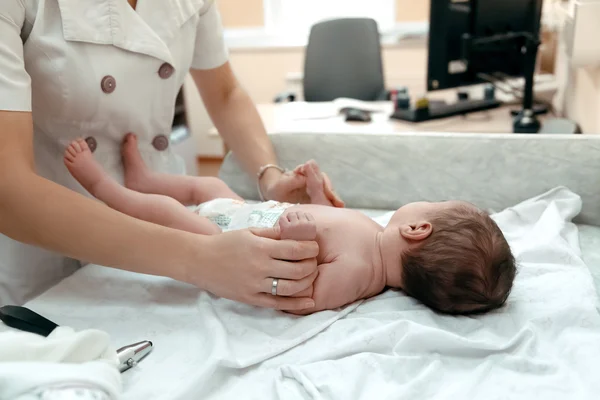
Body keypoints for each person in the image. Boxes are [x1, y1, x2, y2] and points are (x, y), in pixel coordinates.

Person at [0, 0, 343, 308]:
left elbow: (225, 94)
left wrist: (271, 179)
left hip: (166, 200)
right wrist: (200, 258)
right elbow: (9, 188)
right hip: (55, 228)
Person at [65, 136, 517, 315]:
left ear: (418, 229)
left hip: (228, 241)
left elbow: (302, 295)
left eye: (435, 203)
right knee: (208, 184)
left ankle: (104, 187)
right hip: (245, 214)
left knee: (165, 214)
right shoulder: (370, 233)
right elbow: (329, 225)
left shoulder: (362, 274)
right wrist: (316, 195)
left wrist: (298, 237)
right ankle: (145, 178)